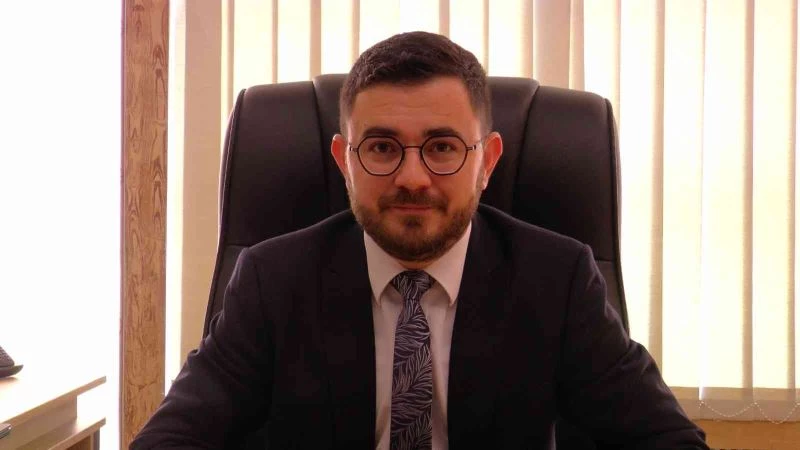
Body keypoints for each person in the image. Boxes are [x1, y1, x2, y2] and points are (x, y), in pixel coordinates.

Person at [131, 31, 708, 449]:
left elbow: (665, 438)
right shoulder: (272, 280)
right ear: (344, 161)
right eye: (382, 147)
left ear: (487, 162)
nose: (412, 177)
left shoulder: (556, 280)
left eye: (442, 147)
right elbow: (174, 436)